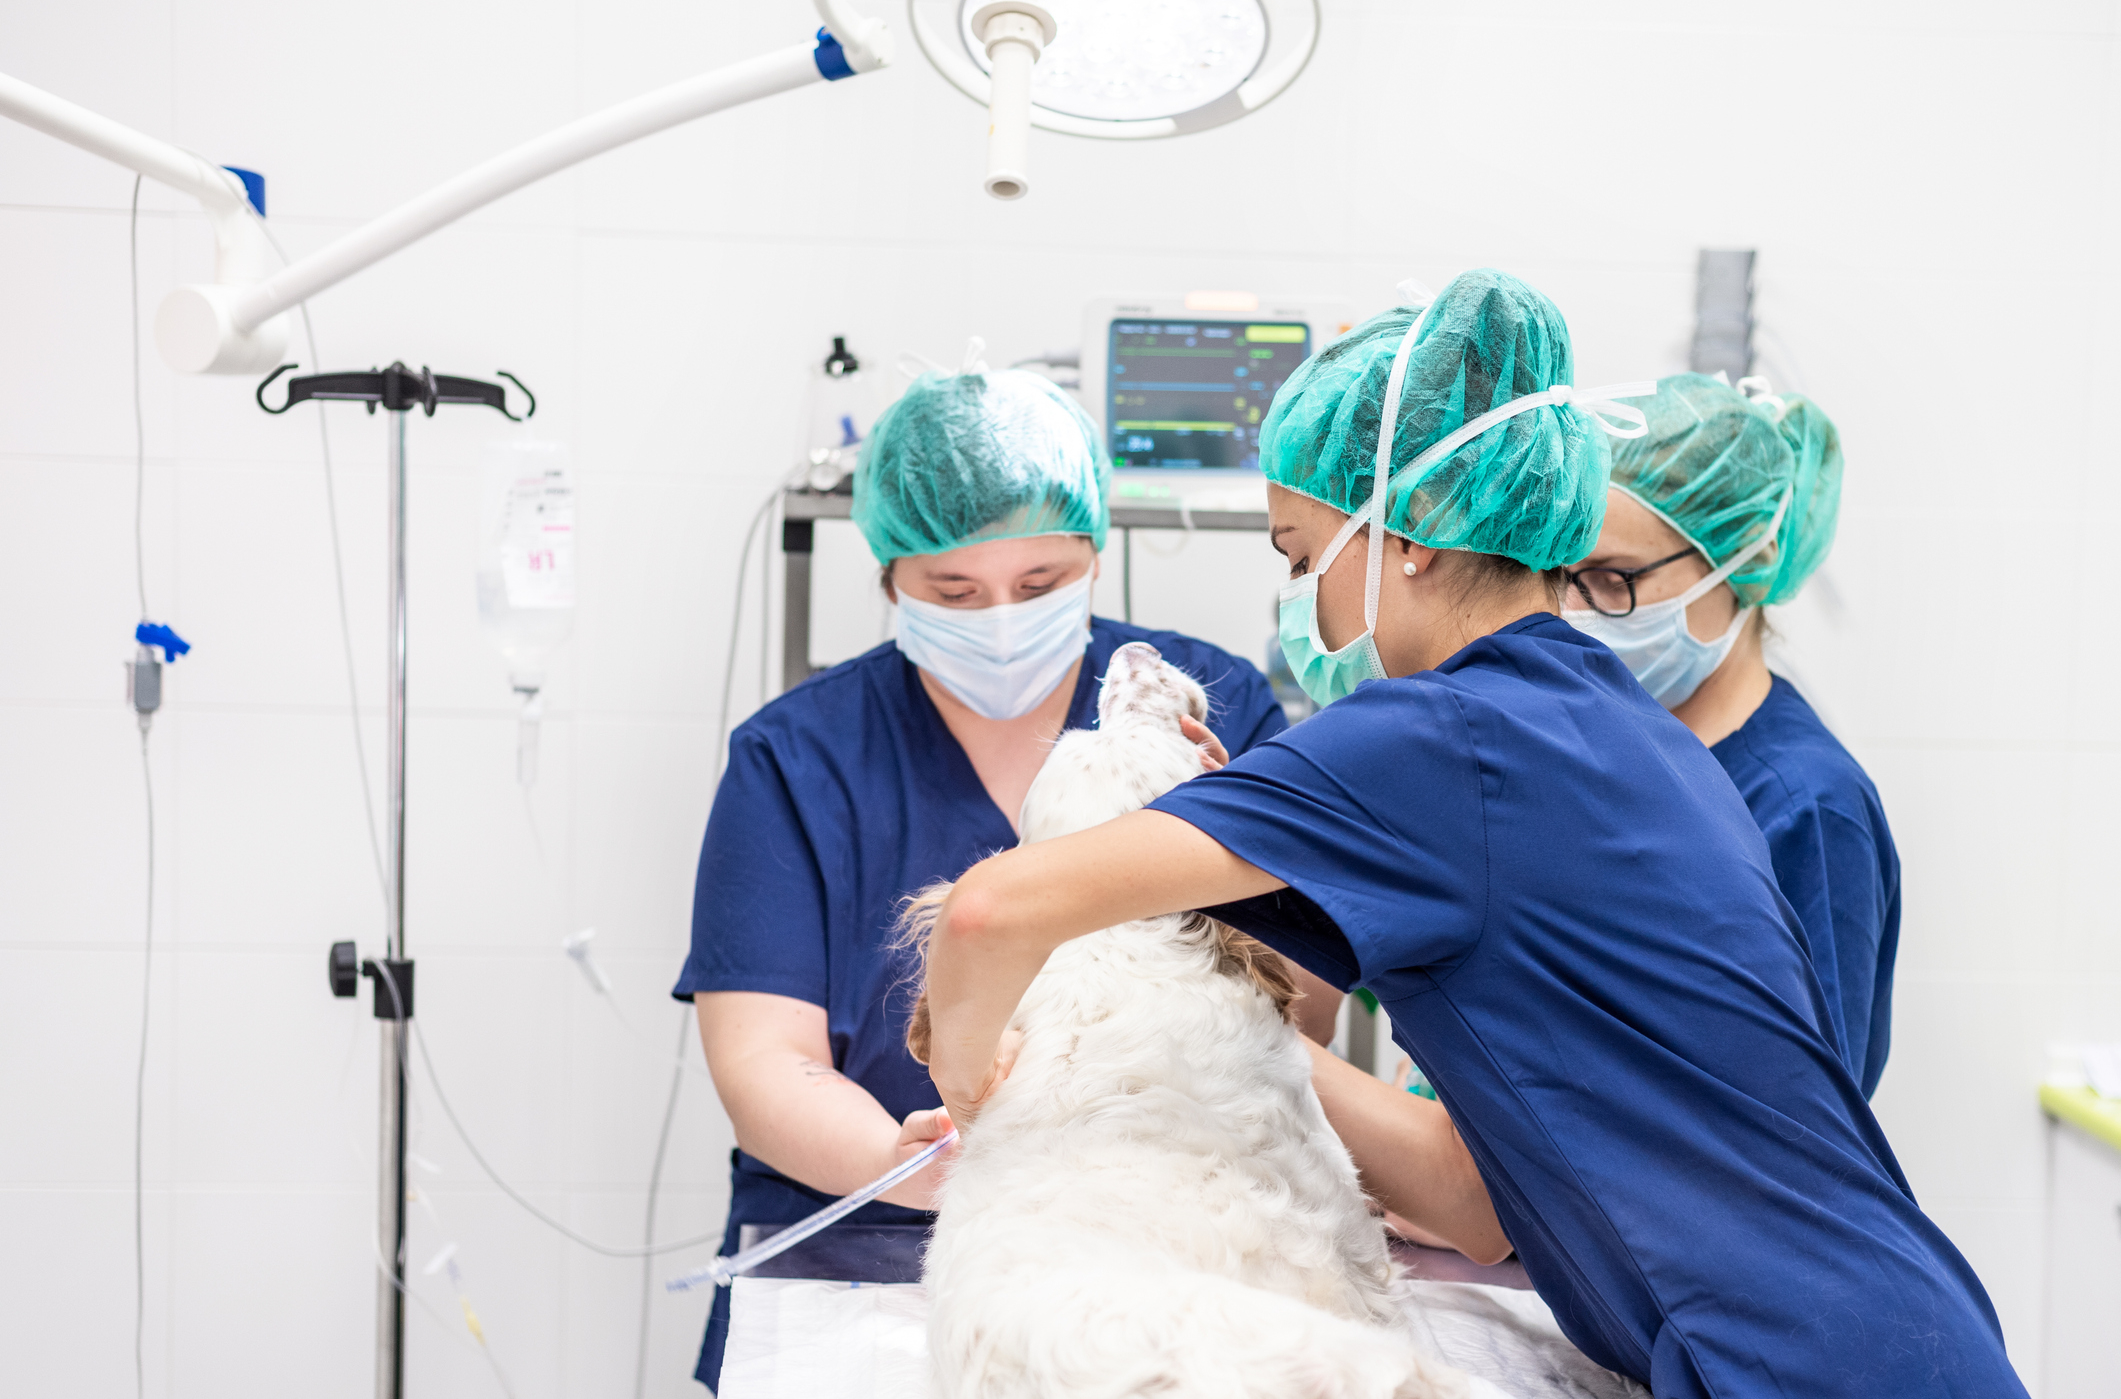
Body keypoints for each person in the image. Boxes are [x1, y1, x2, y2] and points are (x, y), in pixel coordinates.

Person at [917, 272, 2024, 1398]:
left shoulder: (1440, 735)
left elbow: (991, 910)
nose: (1306, 606)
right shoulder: (1616, 730)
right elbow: (1470, 1204)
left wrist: (976, 1085)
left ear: (1410, 536)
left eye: (1302, 558)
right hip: (1890, 1337)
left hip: (1790, 1365)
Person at [671, 363, 1288, 1392]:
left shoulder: (1206, 709)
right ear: (888, 581)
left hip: (1157, 1233)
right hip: (862, 1254)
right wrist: (900, 1162)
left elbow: (1290, 1005)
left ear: (1096, 555)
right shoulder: (800, 756)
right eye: (953, 592)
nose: (1000, 618)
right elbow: (763, 1062)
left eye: (1041, 585)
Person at [1560, 373, 1899, 1095]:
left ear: (1743, 559)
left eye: (1613, 578)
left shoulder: (1807, 805)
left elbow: (1810, 1116)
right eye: (1564, 578)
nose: (1579, 611)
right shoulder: (1625, 750)